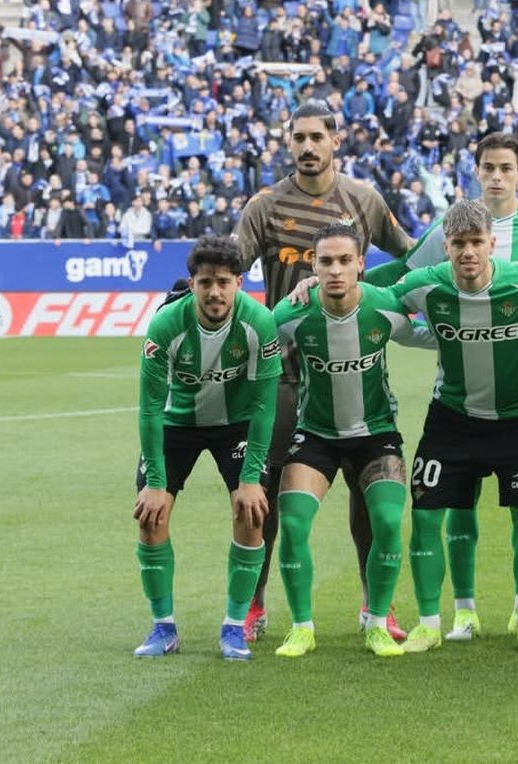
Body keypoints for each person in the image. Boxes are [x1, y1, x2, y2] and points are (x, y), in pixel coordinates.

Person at [362, 133, 518, 640]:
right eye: (487, 167)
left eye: (505, 167)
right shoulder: (443, 242)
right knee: (455, 508)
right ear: (476, 171)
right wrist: (333, 275)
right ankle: (461, 611)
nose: (496, 175)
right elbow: (396, 280)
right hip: (455, 401)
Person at [235, 101, 414, 644]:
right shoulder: (264, 207)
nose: (307, 147)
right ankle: (255, 606)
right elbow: (230, 268)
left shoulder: (363, 200)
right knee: (264, 493)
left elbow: (407, 255)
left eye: (317, 136)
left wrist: (364, 289)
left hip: (346, 370)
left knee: (370, 495)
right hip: (281, 375)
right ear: (288, 144)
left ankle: (373, 606)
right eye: (298, 138)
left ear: (335, 140)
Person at [390, 200, 518, 656]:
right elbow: (373, 300)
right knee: (427, 516)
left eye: (476, 242)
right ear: (445, 248)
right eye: (458, 244)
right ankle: (432, 623)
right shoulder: (424, 286)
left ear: (492, 244)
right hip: (451, 420)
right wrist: (315, 287)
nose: (468, 252)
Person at [269, 224, 432, 658]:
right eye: (326, 262)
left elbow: (431, 335)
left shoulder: (385, 308)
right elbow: (254, 342)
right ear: (313, 266)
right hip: (316, 437)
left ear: (362, 264)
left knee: (388, 523)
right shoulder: (292, 314)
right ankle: (302, 628)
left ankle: (377, 622)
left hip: (375, 435)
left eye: (345, 260)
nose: (336, 270)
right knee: (295, 523)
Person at [131, 236, 282, 661]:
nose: (214, 292)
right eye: (205, 282)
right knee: (150, 515)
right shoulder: (165, 325)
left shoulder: (259, 322)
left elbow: (264, 405)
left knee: (252, 512)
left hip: (234, 424)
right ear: (193, 284)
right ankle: (164, 628)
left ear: (239, 282)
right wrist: (156, 482)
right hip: (176, 424)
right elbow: (148, 410)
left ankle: (234, 628)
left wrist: (252, 478)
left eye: (223, 282)